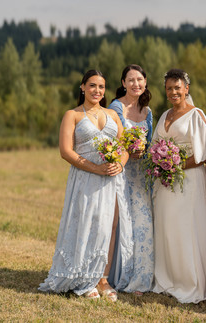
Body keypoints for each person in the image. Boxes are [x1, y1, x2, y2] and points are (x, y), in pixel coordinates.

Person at [39, 70, 133, 301]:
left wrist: (119, 165)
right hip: (85, 178)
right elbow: (65, 151)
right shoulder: (72, 115)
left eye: (101, 87)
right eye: (92, 86)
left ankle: (102, 279)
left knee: (107, 227)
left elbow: (124, 147)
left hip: (111, 180)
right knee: (86, 223)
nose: (97, 91)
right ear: (82, 87)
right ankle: (83, 278)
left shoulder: (113, 113)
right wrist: (95, 168)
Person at [152, 68, 206, 303]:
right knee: (168, 227)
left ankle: (191, 282)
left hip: (188, 179)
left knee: (186, 228)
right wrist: (160, 163)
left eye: (177, 87)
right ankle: (168, 278)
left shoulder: (196, 114)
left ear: (186, 89)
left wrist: (175, 167)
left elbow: (205, 154)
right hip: (166, 181)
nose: (173, 92)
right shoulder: (164, 115)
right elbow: (155, 144)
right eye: (169, 88)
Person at [108, 64, 154, 294]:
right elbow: (111, 140)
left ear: (145, 82)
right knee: (123, 223)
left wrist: (143, 151)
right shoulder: (116, 107)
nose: (136, 83)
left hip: (141, 174)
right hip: (121, 172)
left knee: (143, 223)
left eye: (140, 79)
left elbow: (151, 143)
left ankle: (141, 277)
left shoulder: (148, 111)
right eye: (131, 80)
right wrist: (128, 148)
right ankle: (118, 275)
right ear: (123, 83)